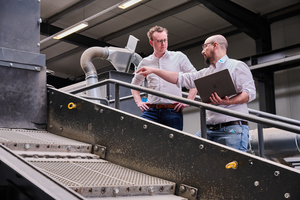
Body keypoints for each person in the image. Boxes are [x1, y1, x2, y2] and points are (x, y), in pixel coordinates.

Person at [136, 34, 256, 152]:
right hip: (208, 130)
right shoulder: (205, 73)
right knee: (187, 152)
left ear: (215, 46)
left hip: (232, 130)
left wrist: (228, 101)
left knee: (231, 169)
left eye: (204, 47)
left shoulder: (236, 66)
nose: (202, 52)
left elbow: (249, 93)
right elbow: (180, 78)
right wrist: (154, 70)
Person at [131, 25, 198, 131]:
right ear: (151, 42)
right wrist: (139, 102)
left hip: (172, 111)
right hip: (151, 110)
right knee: (141, 137)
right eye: (159, 41)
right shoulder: (145, 62)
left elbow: (195, 79)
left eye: (165, 40)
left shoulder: (179, 57)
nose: (163, 44)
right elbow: (134, 85)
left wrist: (189, 101)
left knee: (173, 144)